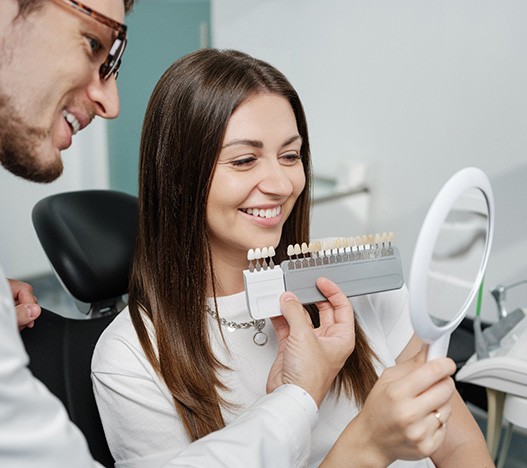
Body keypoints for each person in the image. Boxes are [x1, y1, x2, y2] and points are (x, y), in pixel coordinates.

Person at [92, 48, 493, 467]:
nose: (282, 183)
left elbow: (460, 444)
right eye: (245, 160)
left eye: (290, 155)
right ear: (178, 175)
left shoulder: (352, 277)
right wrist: (368, 445)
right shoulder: (131, 360)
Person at [0, 2, 354, 467]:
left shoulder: (343, 293)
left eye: (291, 156)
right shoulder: (130, 358)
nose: (111, 102)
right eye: (92, 43)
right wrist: (346, 435)